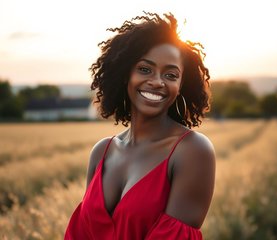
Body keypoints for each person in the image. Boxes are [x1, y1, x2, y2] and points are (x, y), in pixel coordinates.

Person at [64, 12, 215, 240]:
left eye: (171, 74)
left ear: (181, 84)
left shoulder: (192, 151)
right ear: (126, 74)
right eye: (145, 69)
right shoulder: (101, 152)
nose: (157, 81)